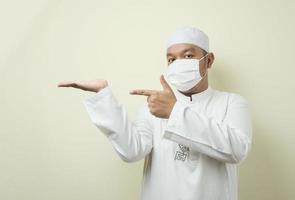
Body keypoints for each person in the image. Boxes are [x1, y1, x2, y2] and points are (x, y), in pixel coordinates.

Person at [58, 27, 252, 200]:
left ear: (208, 60)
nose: (178, 63)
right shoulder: (153, 108)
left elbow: (237, 150)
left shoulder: (231, 103)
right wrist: (103, 97)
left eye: (188, 56)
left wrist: (174, 111)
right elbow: (131, 151)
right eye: (171, 59)